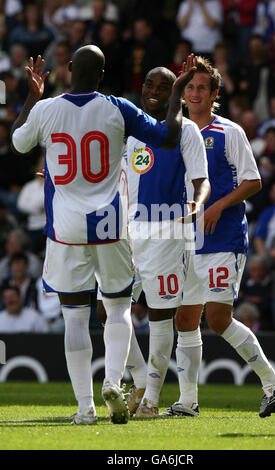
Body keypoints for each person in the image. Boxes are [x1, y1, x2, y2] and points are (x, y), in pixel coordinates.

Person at [10, 46, 197, 425]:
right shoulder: (117, 108)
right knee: (118, 308)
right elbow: (167, 135)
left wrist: (33, 97)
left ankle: (84, 408)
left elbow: (17, 143)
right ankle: (113, 380)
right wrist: (176, 92)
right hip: (111, 225)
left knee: (75, 317)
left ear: (69, 69)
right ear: (102, 75)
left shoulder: (47, 109)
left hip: (65, 229)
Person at [162, 56, 275, 419]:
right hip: (187, 241)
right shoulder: (175, 134)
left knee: (217, 318)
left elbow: (254, 181)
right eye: (190, 87)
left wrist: (217, 207)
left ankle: (271, 381)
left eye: (202, 87)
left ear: (215, 93)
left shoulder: (228, 132)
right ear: (183, 93)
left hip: (224, 237)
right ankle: (187, 402)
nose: (196, 92)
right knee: (185, 319)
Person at [97, 65, 210, 418]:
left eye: (164, 86)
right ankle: (140, 379)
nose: (155, 91)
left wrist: (199, 204)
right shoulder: (130, 127)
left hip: (168, 232)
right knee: (107, 309)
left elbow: (201, 180)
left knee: (162, 317)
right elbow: (113, 174)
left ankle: (150, 400)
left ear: (172, 91)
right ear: (142, 86)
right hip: (127, 232)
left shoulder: (187, 130)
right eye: (150, 84)